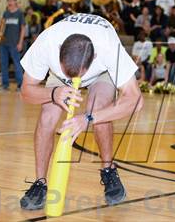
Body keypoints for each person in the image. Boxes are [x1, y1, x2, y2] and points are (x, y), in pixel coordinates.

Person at [19, 13, 143, 210]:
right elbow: (25, 92)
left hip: (99, 72)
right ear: (59, 50)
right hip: (60, 76)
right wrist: (54, 94)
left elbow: (135, 100)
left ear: (93, 57)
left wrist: (89, 118)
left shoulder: (108, 48)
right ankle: (40, 182)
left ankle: (108, 169)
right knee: (47, 116)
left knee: (100, 108)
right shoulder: (46, 43)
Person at [0, 0, 25, 91]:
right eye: (8, 1)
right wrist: (0, 32)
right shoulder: (5, 13)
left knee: (17, 64)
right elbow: (2, 26)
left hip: (14, 43)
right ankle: (5, 85)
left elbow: (23, 28)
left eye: (11, 0)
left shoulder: (19, 13)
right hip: (4, 43)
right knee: (3, 64)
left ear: (15, 2)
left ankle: (20, 85)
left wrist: (20, 43)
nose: (10, 2)